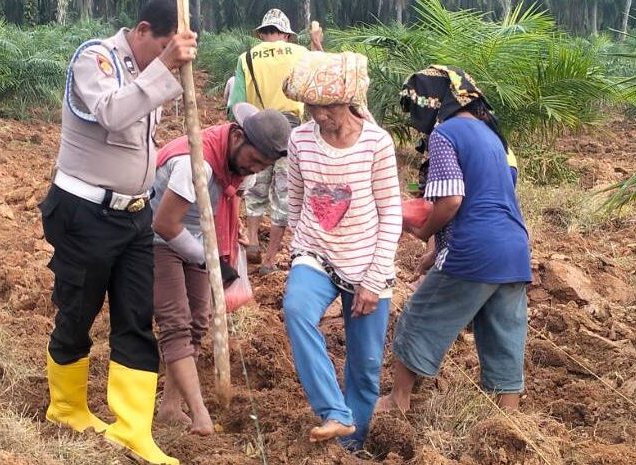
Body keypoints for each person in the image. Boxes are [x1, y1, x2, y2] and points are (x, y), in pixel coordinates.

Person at [38, 1, 197, 464]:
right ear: (143, 30)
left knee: (136, 315)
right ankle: (66, 407)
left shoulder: (152, 68)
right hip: (84, 213)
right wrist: (165, 66)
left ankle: (131, 427)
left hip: (134, 216)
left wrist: (166, 67)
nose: (168, 57)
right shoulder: (96, 59)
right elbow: (112, 113)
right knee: (78, 309)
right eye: (165, 46)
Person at [376, 65, 532, 415]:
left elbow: (450, 202)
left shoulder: (445, 135)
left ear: (433, 102)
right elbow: (487, 197)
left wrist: (424, 231)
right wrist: (435, 254)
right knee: (503, 337)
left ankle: (397, 401)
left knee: (417, 318)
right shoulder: (492, 136)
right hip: (514, 251)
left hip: (474, 250)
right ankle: (507, 422)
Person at [281, 51, 402, 448]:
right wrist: (298, 249)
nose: (317, 115)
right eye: (311, 107)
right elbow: (296, 200)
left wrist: (373, 278)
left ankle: (350, 446)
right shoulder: (299, 139)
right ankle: (333, 410)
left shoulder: (376, 143)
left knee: (365, 367)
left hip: (367, 262)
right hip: (315, 253)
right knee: (297, 309)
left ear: (346, 102)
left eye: (325, 107)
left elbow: (391, 214)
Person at [150, 103, 291, 435]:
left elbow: (231, 196)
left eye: (262, 165)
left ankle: (170, 407)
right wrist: (208, 260)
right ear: (237, 137)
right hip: (155, 238)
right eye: (253, 160)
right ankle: (199, 413)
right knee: (176, 322)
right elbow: (165, 223)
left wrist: (235, 226)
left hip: (198, 235)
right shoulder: (193, 164)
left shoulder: (241, 165)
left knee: (198, 321)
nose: (253, 169)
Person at [228, 8, 324, 275]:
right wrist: (316, 42)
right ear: (286, 35)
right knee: (284, 194)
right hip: (289, 133)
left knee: (255, 188)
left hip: (256, 130)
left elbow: (236, 104)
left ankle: (253, 242)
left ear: (263, 33)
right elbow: (326, 77)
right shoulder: (301, 54)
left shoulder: (246, 58)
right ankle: (270, 261)